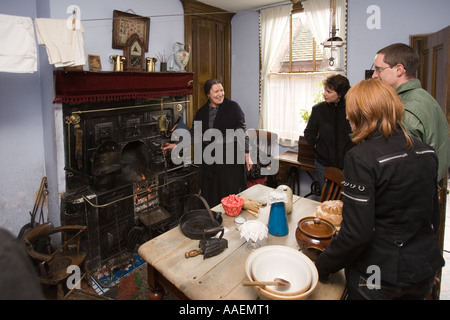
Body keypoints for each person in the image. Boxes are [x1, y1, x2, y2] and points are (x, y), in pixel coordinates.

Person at [315, 79, 445, 300]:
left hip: (378, 275)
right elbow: (431, 216)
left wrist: (322, 266)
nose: (347, 117)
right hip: (421, 270)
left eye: (350, 111)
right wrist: (426, 265)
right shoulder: (426, 152)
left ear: (362, 113)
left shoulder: (361, 157)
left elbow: (356, 234)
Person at [162, 79, 252, 207]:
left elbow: (242, 131)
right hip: (210, 162)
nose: (220, 94)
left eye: (221, 90)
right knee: (213, 198)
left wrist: (247, 154)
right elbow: (195, 135)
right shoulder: (201, 113)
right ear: (208, 94)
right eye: (216, 91)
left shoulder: (233, 107)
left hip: (230, 161)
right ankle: (215, 220)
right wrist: (176, 145)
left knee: (231, 197)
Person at [372, 43, 450, 181]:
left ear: (399, 69)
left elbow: (404, 168)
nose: (374, 75)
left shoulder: (403, 110)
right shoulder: (427, 98)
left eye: (379, 69)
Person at [304, 74, 355, 189]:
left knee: (346, 200)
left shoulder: (352, 109)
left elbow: (360, 133)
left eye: (329, 92)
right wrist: (318, 148)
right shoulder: (318, 109)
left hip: (348, 165)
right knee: (326, 200)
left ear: (340, 94)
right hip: (323, 164)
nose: (324, 94)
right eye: (325, 90)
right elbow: (309, 133)